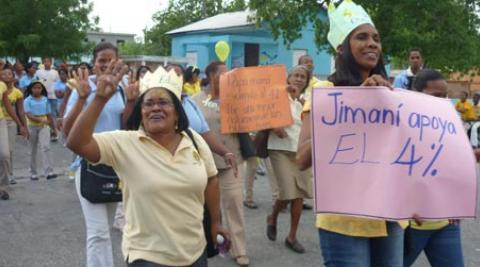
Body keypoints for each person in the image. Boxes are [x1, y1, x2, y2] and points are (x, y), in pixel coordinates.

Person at [66, 63, 230, 266]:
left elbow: (211, 180)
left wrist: (216, 223)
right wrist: (99, 98)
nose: (155, 108)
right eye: (148, 103)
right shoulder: (126, 143)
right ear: (140, 111)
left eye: (163, 102)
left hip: (195, 253)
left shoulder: (194, 140)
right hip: (147, 256)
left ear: (177, 112)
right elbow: (76, 143)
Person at [297, 1, 405, 266]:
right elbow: (301, 159)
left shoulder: (392, 95)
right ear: (342, 48)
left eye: (376, 39)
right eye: (362, 37)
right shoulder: (324, 91)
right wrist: (355, 107)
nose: (372, 44)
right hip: (344, 219)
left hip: (390, 213)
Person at [63, 42, 136, 267]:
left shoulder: (123, 88)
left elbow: (127, 127)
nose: (105, 64)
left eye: (110, 60)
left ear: (118, 61)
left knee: (106, 225)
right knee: (98, 232)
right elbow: (67, 131)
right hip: (87, 165)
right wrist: (84, 98)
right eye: (101, 60)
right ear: (94, 63)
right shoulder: (83, 88)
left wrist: (132, 101)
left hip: (114, 167)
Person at [402, 69, 464, 267]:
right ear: (416, 92)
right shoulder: (400, 123)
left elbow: (455, 167)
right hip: (410, 225)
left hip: (445, 223)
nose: (443, 100)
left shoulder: (451, 122)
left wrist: (456, 203)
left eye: (445, 95)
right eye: (436, 95)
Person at [193, 61, 250, 266]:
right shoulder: (194, 101)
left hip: (232, 160)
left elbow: (249, 121)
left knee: (234, 203)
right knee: (202, 208)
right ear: (211, 75)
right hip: (204, 164)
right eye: (223, 74)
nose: (228, 77)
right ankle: (202, 246)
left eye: (229, 74)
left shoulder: (236, 99)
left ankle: (239, 249)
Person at [266, 65, 312, 254]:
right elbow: (261, 113)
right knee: (286, 192)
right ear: (288, 78)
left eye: (303, 76)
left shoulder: (307, 101)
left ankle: (291, 236)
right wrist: (272, 125)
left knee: (299, 194)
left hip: (300, 151)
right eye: (296, 75)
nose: (299, 79)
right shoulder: (277, 95)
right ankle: (273, 216)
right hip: (280, 149)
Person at [0, 78, 28, 200]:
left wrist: (20, 125)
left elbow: (9, 108)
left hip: (1, 121)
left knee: (5, 154)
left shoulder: (1, 85)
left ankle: (3, 188)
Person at [23, 81, 57, 180]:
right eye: (35, 88)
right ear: (31, 89)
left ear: (42, 89)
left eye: (39, 88)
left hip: (44, 125)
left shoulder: (45, 100)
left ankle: (49, 172)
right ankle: (33, 173)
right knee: (32, 150)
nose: (37, 90)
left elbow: (49, 114)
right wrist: (41, 120)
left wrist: (53, 128)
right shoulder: (27, 100)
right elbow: (29, 115)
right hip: (32, 126)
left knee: (46, 147)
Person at [36, 57, 59, 140]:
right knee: (42, 114)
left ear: (51, 62)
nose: (46, 63)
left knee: (52, 114)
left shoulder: (55, 72)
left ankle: (54, 132)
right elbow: (35, 82)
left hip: (53, 96)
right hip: (42, 96)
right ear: (43, 62)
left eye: (48, 61)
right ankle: (44, 132)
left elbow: (58, 83)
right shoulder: (38, 72)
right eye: (45, 61)